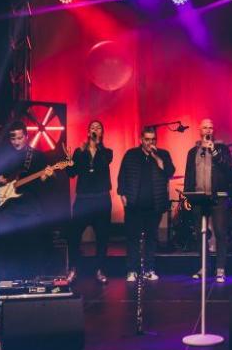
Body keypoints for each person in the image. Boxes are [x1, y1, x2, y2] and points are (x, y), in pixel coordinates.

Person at [0, 120, 54, 280]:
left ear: (26, 137)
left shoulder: (37, 156)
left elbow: (47, 180)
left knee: (31, 246)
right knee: (8, 247)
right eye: (13, 138)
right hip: (8, 208)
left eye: (19, 138)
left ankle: (29, 281)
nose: (16, 142)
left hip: (30, 207)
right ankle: (7, 281)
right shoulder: (4, 155)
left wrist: (47, 176)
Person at [118, 127, 176, 282]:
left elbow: (170, 172)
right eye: (147, 139)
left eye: (153, 139)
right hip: (134, 204)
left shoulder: (162, 154)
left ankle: (149, 269)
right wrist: (122, 194)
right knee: (133, 238)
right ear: (141, 140)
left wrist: (157, 158)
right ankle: (132, 270)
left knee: (151, 238)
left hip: (154, 205)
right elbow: (122, 175)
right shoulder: (131, 154)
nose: (150, 142)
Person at [184, 118, 232, 283]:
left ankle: (220, 269)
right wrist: (187, 196)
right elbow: (188, 175)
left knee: (220, 232)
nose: (208, 130)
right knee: (200, 234)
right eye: (205, 127)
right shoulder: (193, 151)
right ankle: (203, 267)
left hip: (218, 197)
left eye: (211, 128)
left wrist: (214, 151)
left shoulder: (221, 149)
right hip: (198, 198)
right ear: (200, 130)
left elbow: (228, 168)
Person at [66, 120, 113, 284]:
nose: (95, 129)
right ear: (88, 132)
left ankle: (99, 270)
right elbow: (71, 172)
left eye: (98, 128)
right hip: (83, 200)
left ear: (101, 133)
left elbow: (104, 162)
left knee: (102, 237)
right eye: (92, 128)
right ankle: (73, 269)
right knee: (73, 235)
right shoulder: (79, 152)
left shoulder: (107, 152)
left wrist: (96, 145)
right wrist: (71, 158)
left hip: (101, 199)